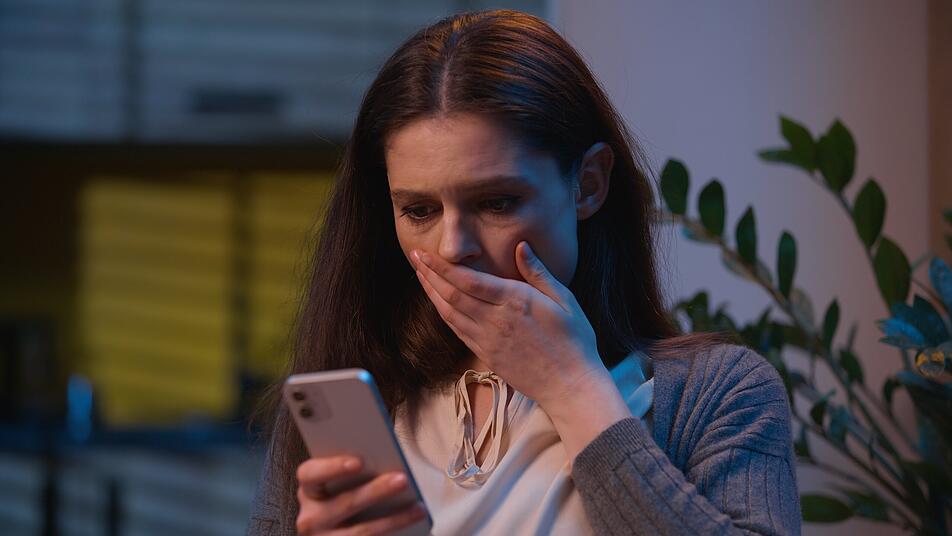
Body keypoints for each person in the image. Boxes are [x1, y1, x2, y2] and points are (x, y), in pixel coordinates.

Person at [247, 9, 800, 536]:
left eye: (497, 202)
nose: (453, 246)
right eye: (419, 210)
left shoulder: (720, 391)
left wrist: (575, 390)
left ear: (588, 184)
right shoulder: (353, 398)